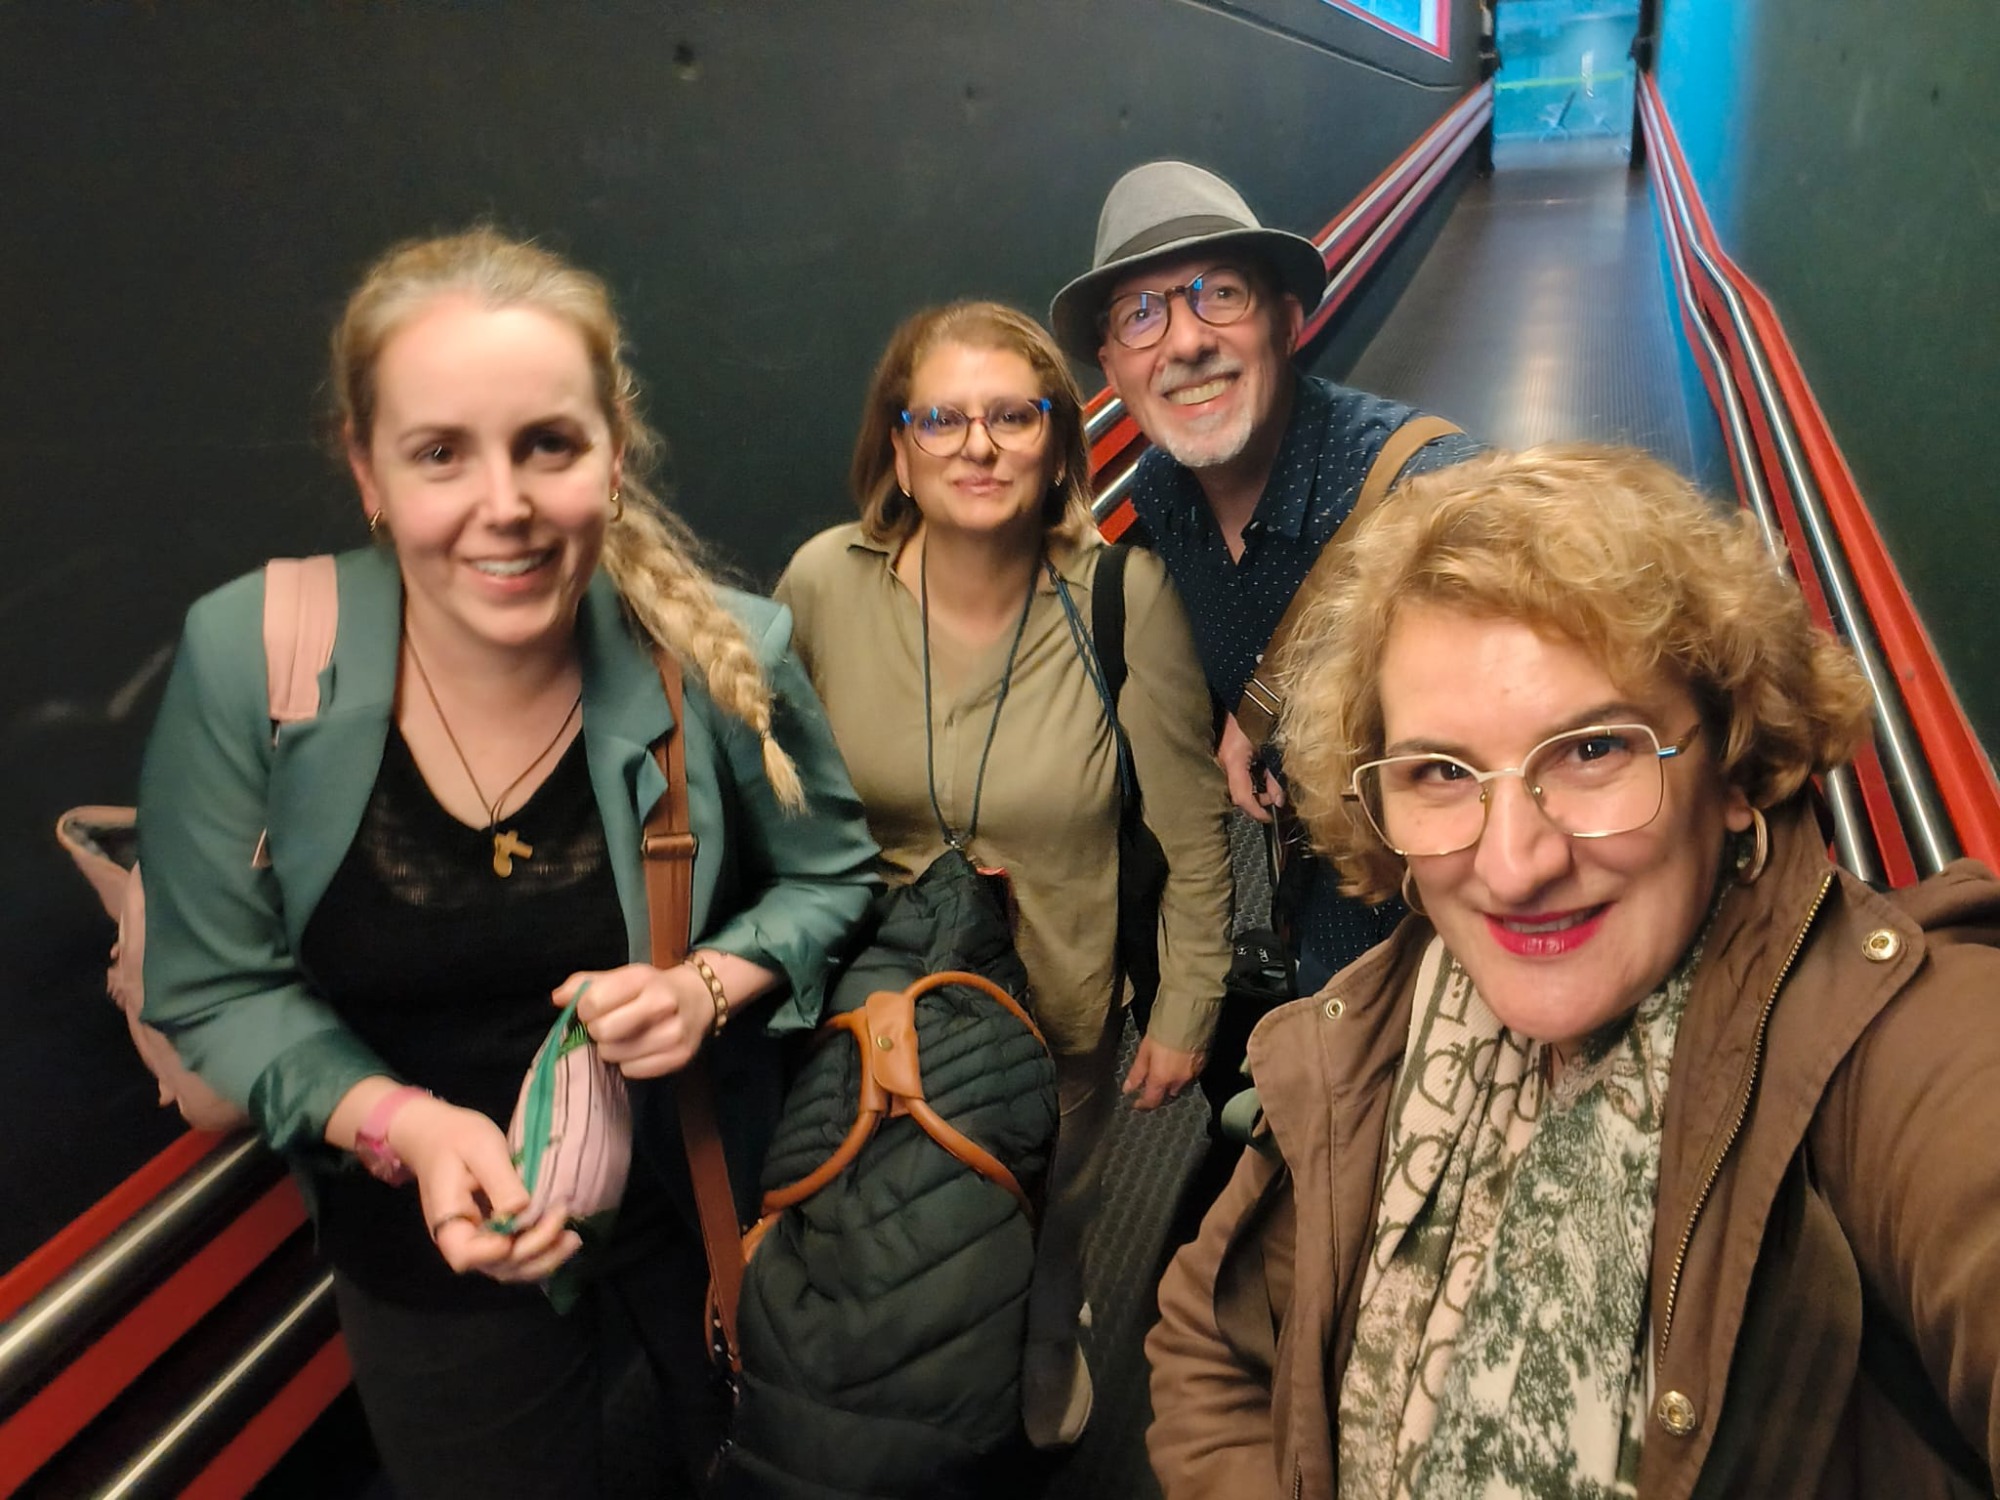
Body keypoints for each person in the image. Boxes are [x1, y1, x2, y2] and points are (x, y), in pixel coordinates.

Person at [137, 229, 879, 1498]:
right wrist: (404, 1127)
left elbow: (835, 877)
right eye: (440, 453)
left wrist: (706, 985)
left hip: (692, 1195)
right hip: (425, 1249)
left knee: (747, 1465)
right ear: (366, 469)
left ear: (613, 452)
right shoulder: (252, 657)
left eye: (548, 444)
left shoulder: (719, 650)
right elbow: (217, 987)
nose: (506, 505)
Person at [1146, 445, 2000, 1499]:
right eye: (1440, 771)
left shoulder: (1902, 1058)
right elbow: (1208, 1338)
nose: (1514, 866)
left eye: (1593, 750)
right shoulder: (1379, 1020)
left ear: (1732, 764)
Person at [774, 300, 1233, 1449]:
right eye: (941, 419)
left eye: (1012, 418)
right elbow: (774, 804)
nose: (976, 447)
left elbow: (1189, 832)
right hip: (870, 1006)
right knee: (886, 1228)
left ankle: (1043, 1332)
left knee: (1043, 1219)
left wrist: (1183, 1010)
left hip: (1053, 1012)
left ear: (1058, 445)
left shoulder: (1122, 598)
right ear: (898, 450)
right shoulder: (824, 585)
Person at [1051, 159, 1483, 998]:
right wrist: (1253, 715)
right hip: (1324, 925)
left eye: (1221, 294)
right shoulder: (1162, 495)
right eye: (1141, 314)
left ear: (1286, 322)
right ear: (1112, 367)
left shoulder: (1433, 495)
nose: (1185, 342)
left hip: (1465, 943)